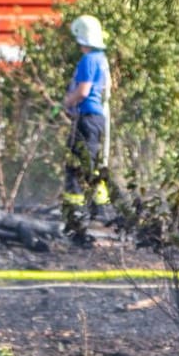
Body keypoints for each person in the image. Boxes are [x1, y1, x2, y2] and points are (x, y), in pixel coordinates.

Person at [60, 14, 113, 245]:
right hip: (96, 118)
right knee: (91, 163)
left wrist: (66, 103)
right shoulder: (101, 58)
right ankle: (98, 209)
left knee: (76, 166)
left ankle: (77, 213)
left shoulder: (88, 60)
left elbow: (83, 91)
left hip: (87, 117)